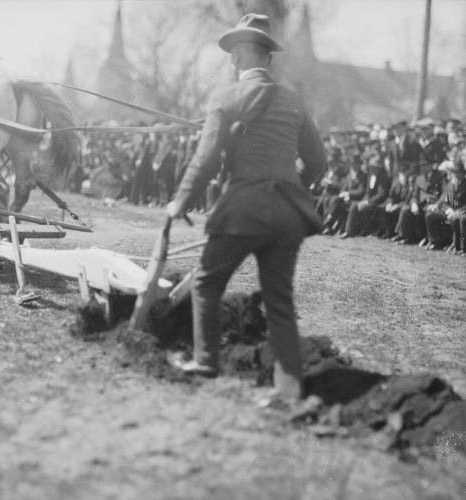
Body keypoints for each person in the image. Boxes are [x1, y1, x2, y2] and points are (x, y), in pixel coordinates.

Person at [166, 14, 326, 402]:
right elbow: (318, 162)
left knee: (206, 281)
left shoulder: (225, 99)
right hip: (288, 213)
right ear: (267, 59)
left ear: (235, 58)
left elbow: (204, 162)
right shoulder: (294, 100)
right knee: (279, 300)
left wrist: (179, 203)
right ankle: (288, 390)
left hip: (243, 210)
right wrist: (288, 184)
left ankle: (206, 362)